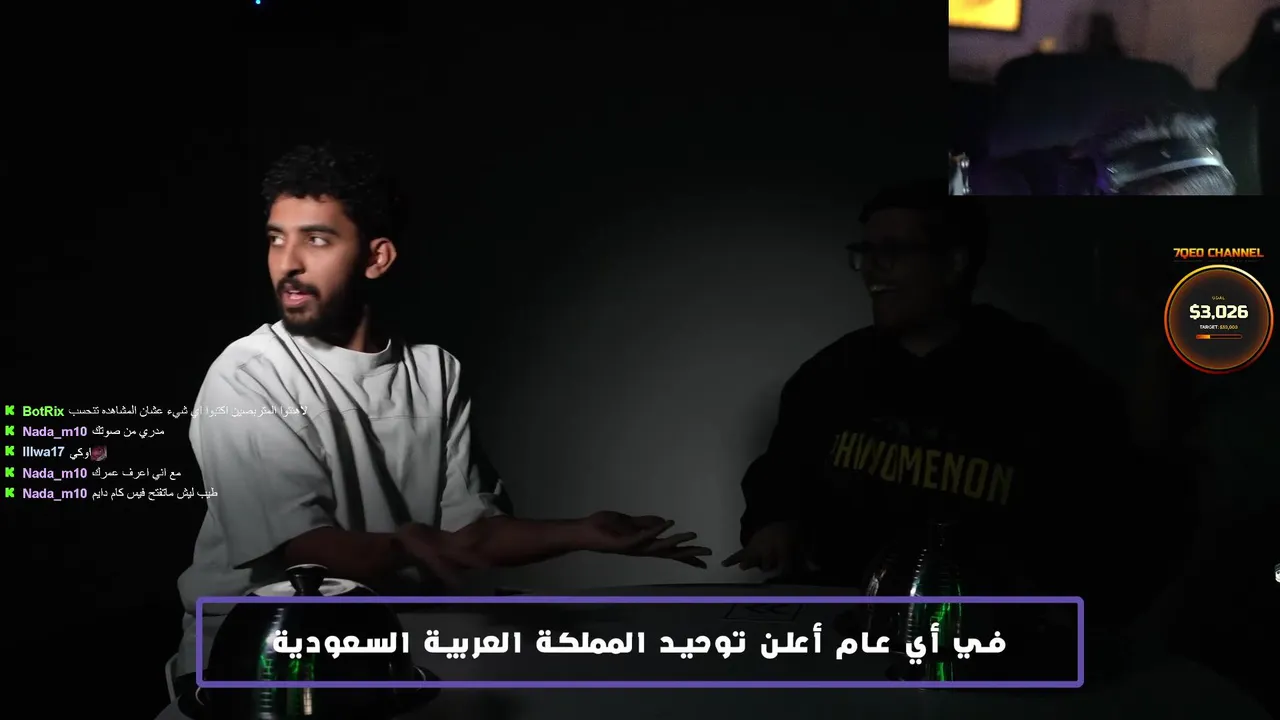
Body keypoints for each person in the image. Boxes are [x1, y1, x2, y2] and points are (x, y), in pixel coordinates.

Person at [171, 144, 710, 679]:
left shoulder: (435, 371)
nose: (287, 263)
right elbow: (309, 551)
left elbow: (472, 532)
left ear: (377, 258)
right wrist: (406, 544)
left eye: (316, 239)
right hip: (254, 660)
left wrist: (582, 532)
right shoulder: (247, 373)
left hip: (384, 651)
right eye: (276, 239)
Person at [723, 182, 1163, 628]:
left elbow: (1105, 526)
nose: (872, 269)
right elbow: (782, 471)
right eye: (866, 251)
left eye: (893, 251)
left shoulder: (1050, 381)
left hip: (989, 631)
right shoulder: (831, 374)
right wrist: (773, 522)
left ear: (954, 263)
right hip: (845, 616)